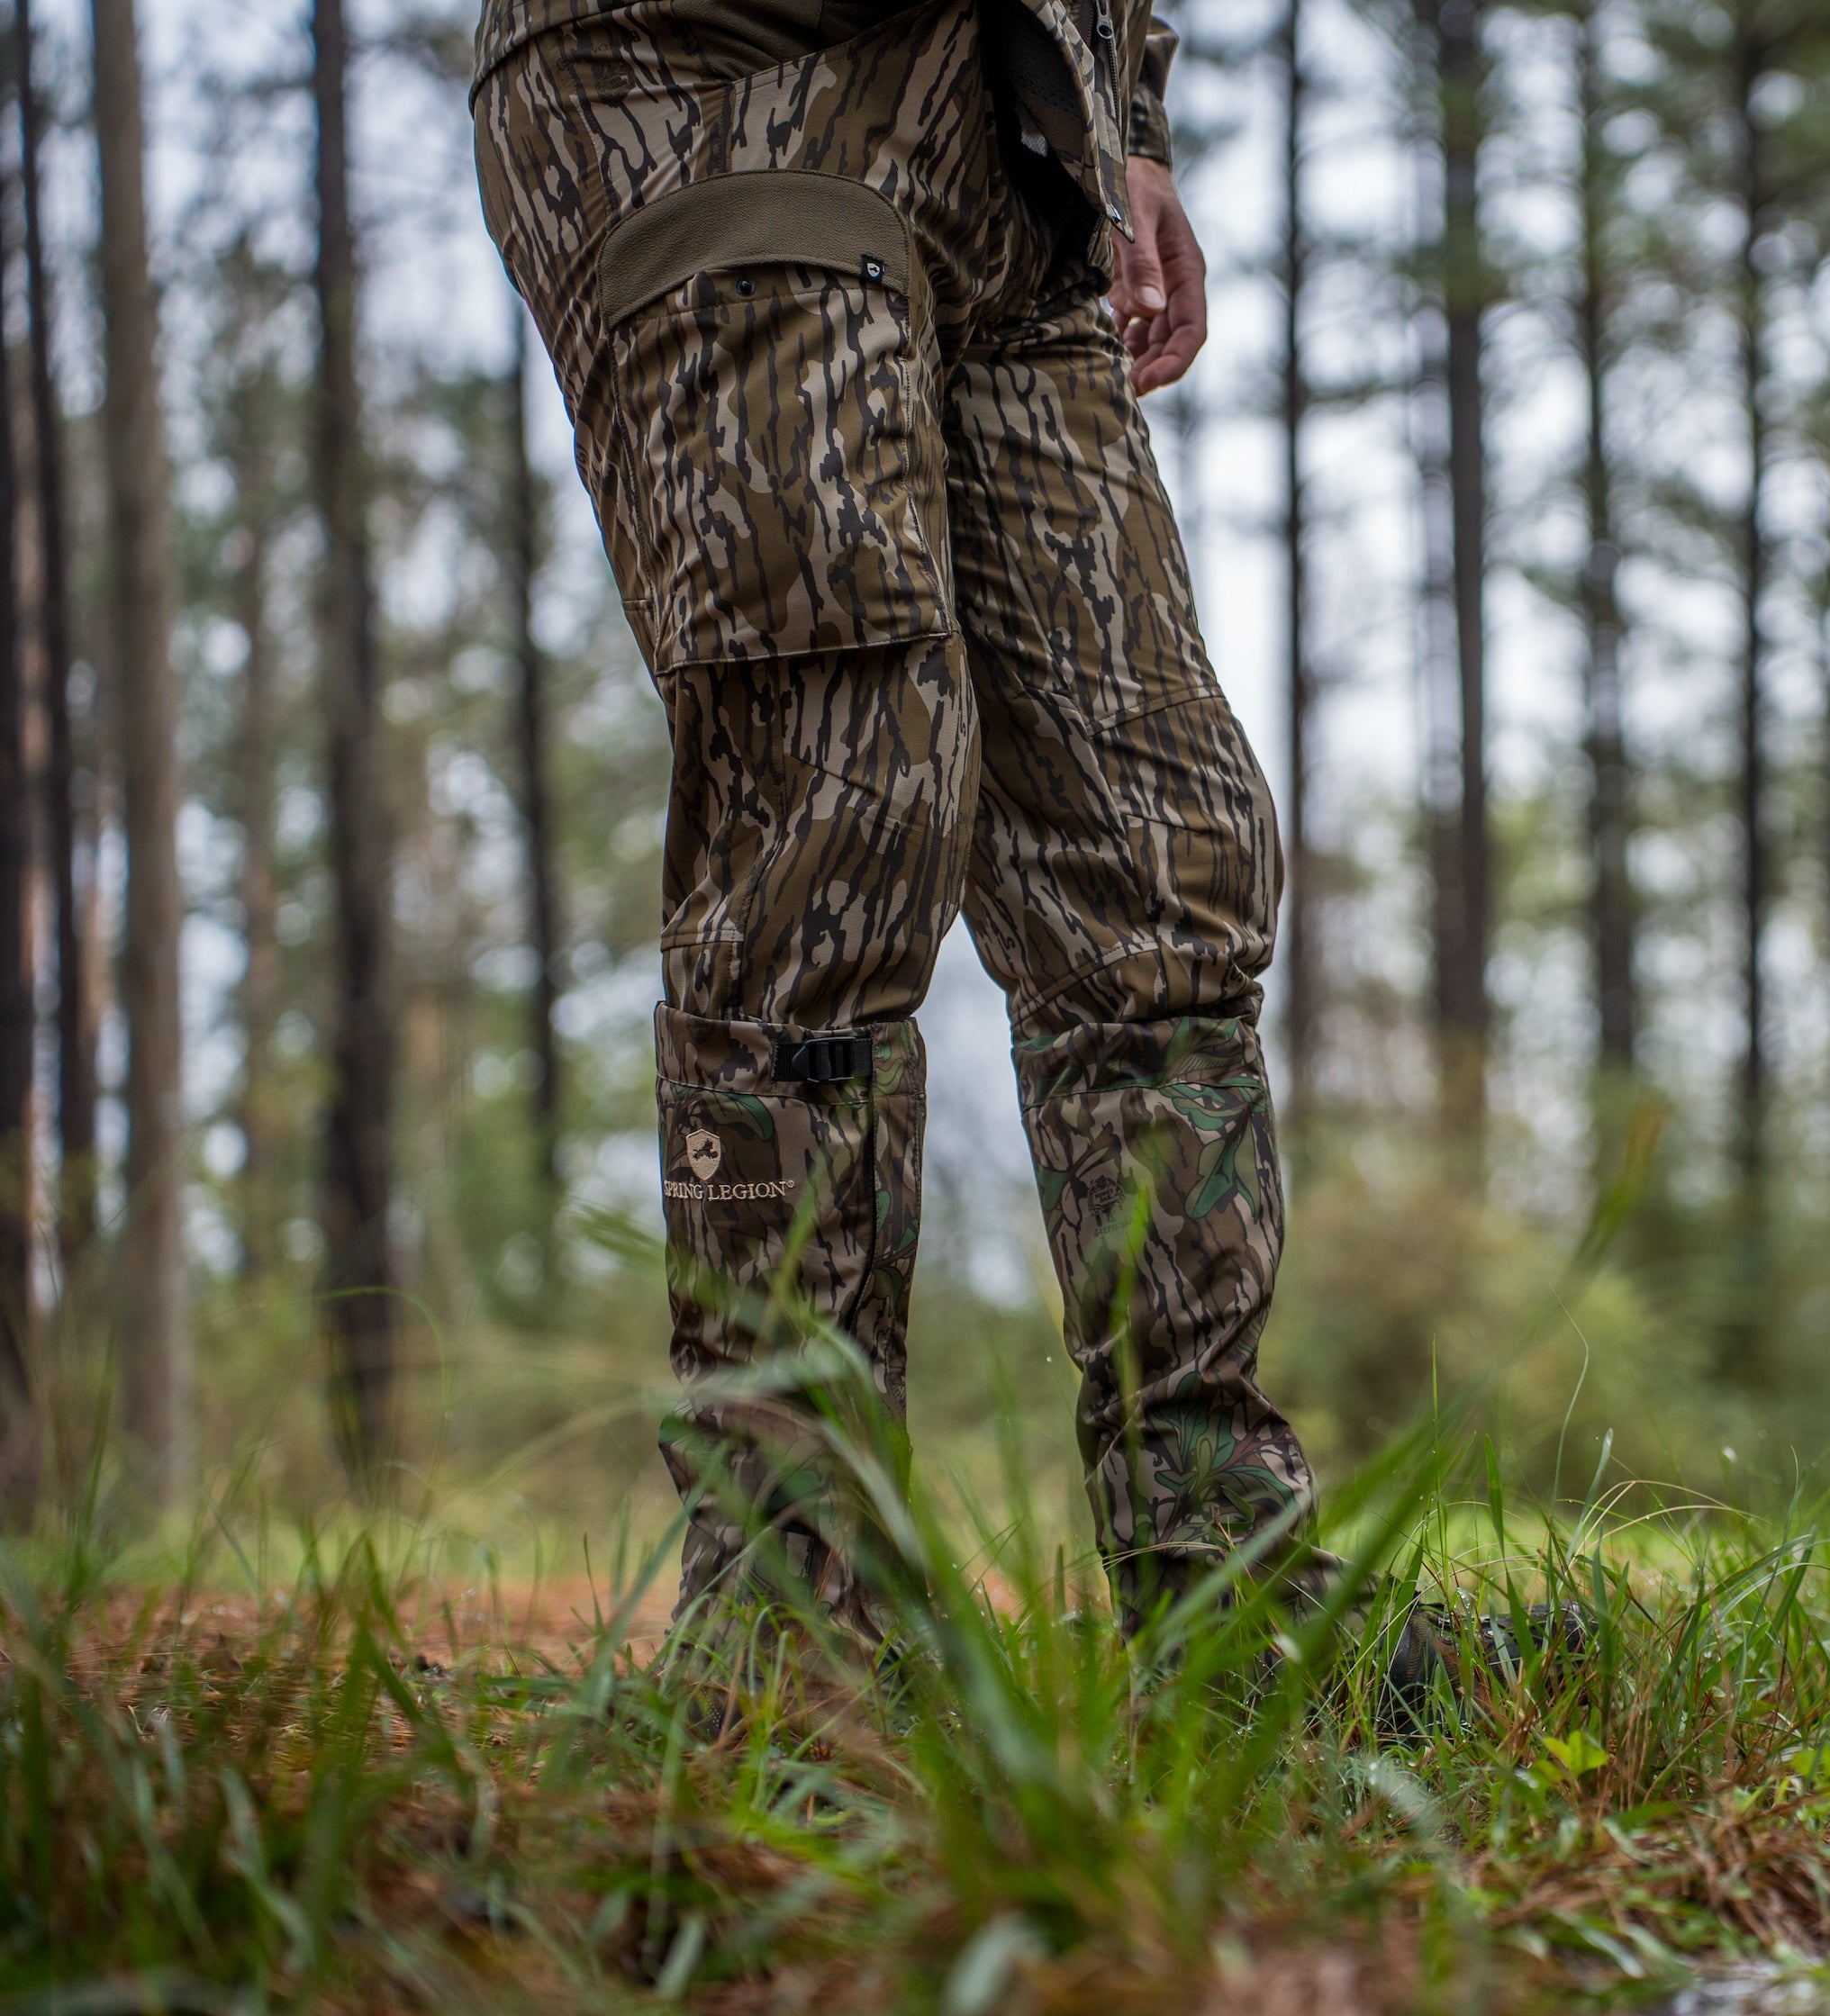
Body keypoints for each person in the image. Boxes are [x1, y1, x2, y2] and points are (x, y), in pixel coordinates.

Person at [471, 0, 1320, 1642]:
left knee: (1164, 847)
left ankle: (1226, 1592)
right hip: (715, 75)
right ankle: (796, 1634)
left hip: (1013, 155)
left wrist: (1125, 121)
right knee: (841, 821)